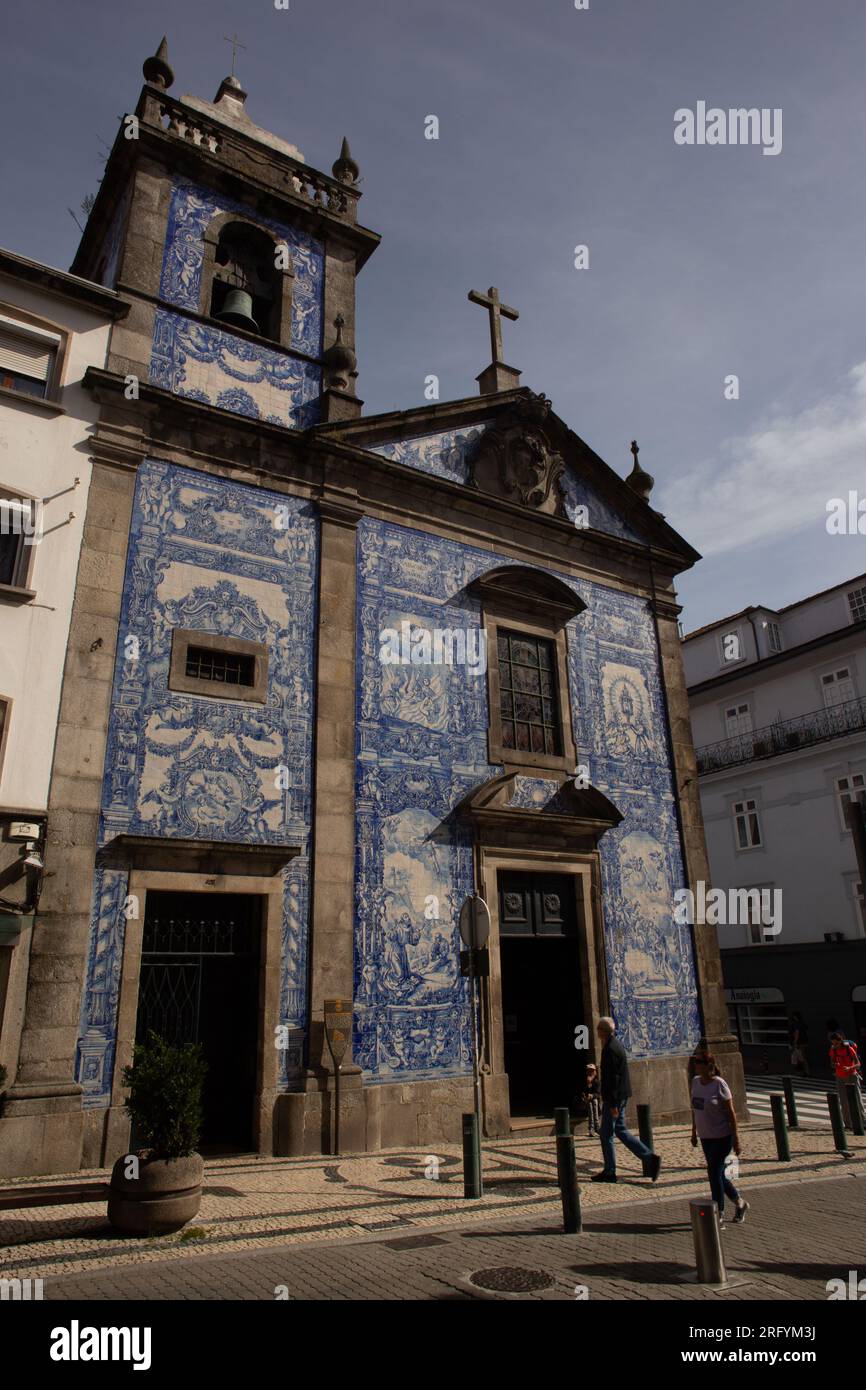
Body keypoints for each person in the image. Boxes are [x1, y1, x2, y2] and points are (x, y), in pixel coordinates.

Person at [592, 1016, 661, 1183]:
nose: (597, 1032)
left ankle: (610, 1171)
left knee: (606, 1134)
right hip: (619, 1096)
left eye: (598, 1030)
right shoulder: (615, 1045)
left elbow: (613, 1078)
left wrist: (613, 1103)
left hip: (614, 1099)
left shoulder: (610, 1049)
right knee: (620, 1130)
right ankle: (649, 1158)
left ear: (602, 1031)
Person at [690, 1052, 748, 1228]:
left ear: (708, 1065)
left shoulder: (719, 1084)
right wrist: (693, 1132)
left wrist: (736, 1138)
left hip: (723, 1136)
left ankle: (718, 1214)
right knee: (719, 1175)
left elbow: (731, 1113)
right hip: (706, 1136)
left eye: (698, 1062)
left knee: (713, 1172)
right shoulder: (695, 1082)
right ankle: (740, 1203)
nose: (695, 1065)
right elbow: (695, 1108)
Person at [829, 1030, 863, 1131]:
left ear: (841, 1041)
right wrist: (835, 1065)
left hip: (852, 1075)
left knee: (857, 1099)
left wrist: (850, 1068)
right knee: (843, 1101)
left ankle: (863, 1121)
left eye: (836, 1043)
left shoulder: (849, 1049)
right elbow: (831, 1063)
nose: (835, 1045)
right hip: (840, 1077)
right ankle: (848, 1124)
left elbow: (858, 1063)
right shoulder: (833, 1050)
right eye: (833, 1043)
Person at [581, 1063, 601, 1138]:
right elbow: (583, 1092)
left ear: (595, 1072)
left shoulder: (597, 1082)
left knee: (594, 1101)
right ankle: (591, 1128)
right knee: (590, 1103)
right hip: (585, 1102)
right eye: (589, 1071)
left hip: (594, 1102)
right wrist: (588, 1084)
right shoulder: (584, 1081)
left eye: (592, 1071)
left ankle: (597, 1126)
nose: (591, 1073)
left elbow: (598, 1094)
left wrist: (592, 1096)